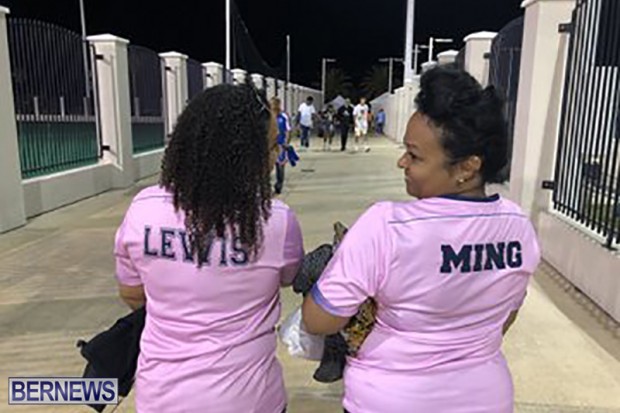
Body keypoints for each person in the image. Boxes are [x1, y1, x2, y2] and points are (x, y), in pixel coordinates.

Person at [302, 67, 541, 413]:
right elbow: (504, 317)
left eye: (414, 156)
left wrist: (327, 273)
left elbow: (319, 321)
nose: (402, 162)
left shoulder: (387, 226)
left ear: (467, 167)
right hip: (484, 398)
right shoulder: (518, 228)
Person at [114, 84, 304, 413]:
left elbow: (132, 294)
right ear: (243, 156)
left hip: (162, 398)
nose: (277, 156)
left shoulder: (143, 210)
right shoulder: (276, 221)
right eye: (273, 146)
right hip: (249, 400)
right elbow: (289, 277)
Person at [272, 97, 291, 194]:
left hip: (280, 144)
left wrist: (286, 143)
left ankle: (279, 184)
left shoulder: (283, 116)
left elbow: (287, 130)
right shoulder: (269, 116)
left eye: (275, 104)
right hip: (271, 145)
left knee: (280, 165)